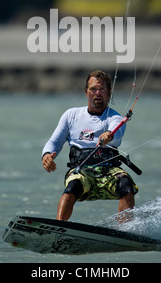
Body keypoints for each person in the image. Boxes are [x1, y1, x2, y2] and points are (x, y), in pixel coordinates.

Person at [42, 69, 138, 221]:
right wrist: (47, 154)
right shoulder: (71, 115)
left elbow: (116, 134)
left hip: (109, 172)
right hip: (82, 172)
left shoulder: (115, 118)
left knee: (126, 183)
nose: (97, 93)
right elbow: (54, 141)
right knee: (72, 185)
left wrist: (109, 135)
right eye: (93, 89)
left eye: (102, 89)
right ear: (86, 92)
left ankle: (126, 231)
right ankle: (59, 227)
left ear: (109, 92)